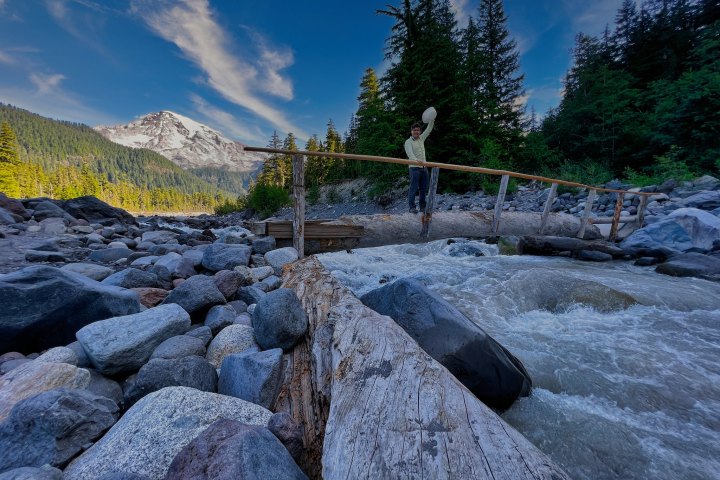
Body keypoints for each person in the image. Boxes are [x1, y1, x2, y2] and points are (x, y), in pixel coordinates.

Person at [404, 115, 435, 213]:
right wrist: (417, 161)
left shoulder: (422, 138)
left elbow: (429, 129)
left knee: (423, 189)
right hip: (414, 168)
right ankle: (412, 207)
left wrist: (432, 118)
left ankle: (422, 207)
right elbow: (410, 154)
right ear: (411, 131)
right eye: (414, 130)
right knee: (413, 188)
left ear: (420, 131)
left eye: (418, 130)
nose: (416, 132)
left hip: (424, 168)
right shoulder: (408, 142)